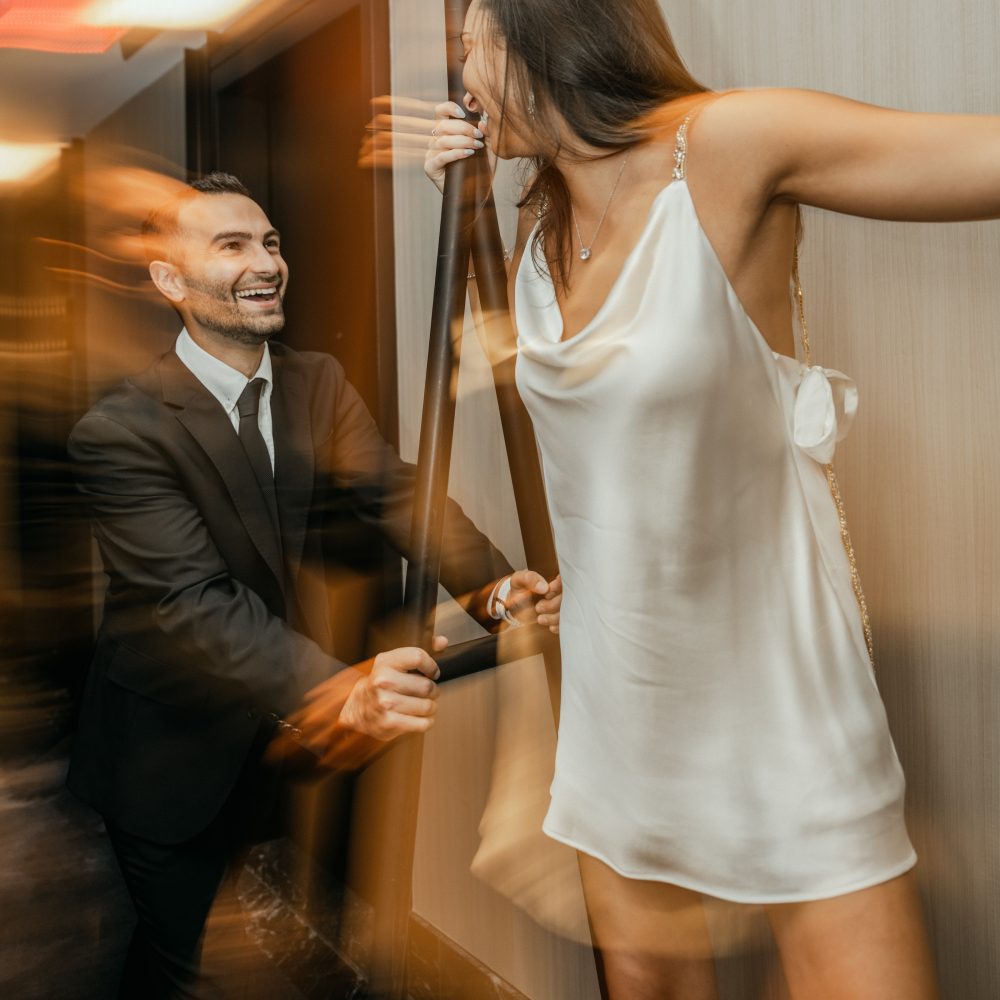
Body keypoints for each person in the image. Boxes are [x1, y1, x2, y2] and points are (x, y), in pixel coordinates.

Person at [425, 1, 1000, 998]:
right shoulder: (539, 224)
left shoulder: (723, 149)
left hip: (779, 708)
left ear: (542, 36)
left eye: (467, 50)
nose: (458, 78)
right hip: (620, 715)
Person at [67, 171, 561, 998]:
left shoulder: (315, 382)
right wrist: (337, 690)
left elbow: (397, 495)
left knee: (285, 951)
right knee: (178, 963)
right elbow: (191, 603)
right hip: (167, 753)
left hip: (282, 741)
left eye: (270, 241)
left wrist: (494, 588)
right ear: (169, 280)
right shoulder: (118, 431)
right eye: (231, 246)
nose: (265, 262)